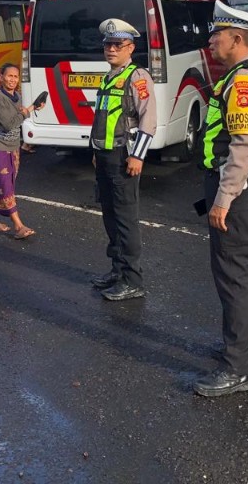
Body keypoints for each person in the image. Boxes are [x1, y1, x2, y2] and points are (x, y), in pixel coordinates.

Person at [193, 0, 248, 398]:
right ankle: (245, 351)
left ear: (237, 38)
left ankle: (237, 367)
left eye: (217, 35)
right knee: (239, 272)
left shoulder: (242, 83)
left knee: (233, 274)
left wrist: (223, 199)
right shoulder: (239, 77)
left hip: (237, 189)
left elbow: (243, 146)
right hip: (240, 187)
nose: (210, 42)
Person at [89, 18, 156, 301]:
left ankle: (132, 279)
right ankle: (117, 271)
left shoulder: (137, 77)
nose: (111, 49)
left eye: (117, 44)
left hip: (123, 157)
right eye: (108, 44)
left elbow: (148, 120)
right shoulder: (109, 76)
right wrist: (95, 152)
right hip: (105, 156)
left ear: (131, 47)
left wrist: (137, 157)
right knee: (111, 217)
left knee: (126, 219)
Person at [0, 63, 45, 239]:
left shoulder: (15, 96)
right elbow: (9, 123)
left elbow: (18, 117)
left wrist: (31, 108)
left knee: (4, 183)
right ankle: (18, 225)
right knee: (6, 185)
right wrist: (29, 110)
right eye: (9, 76)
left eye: (15, 77)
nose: (12, 80)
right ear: (0, 77)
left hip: (13, 145)